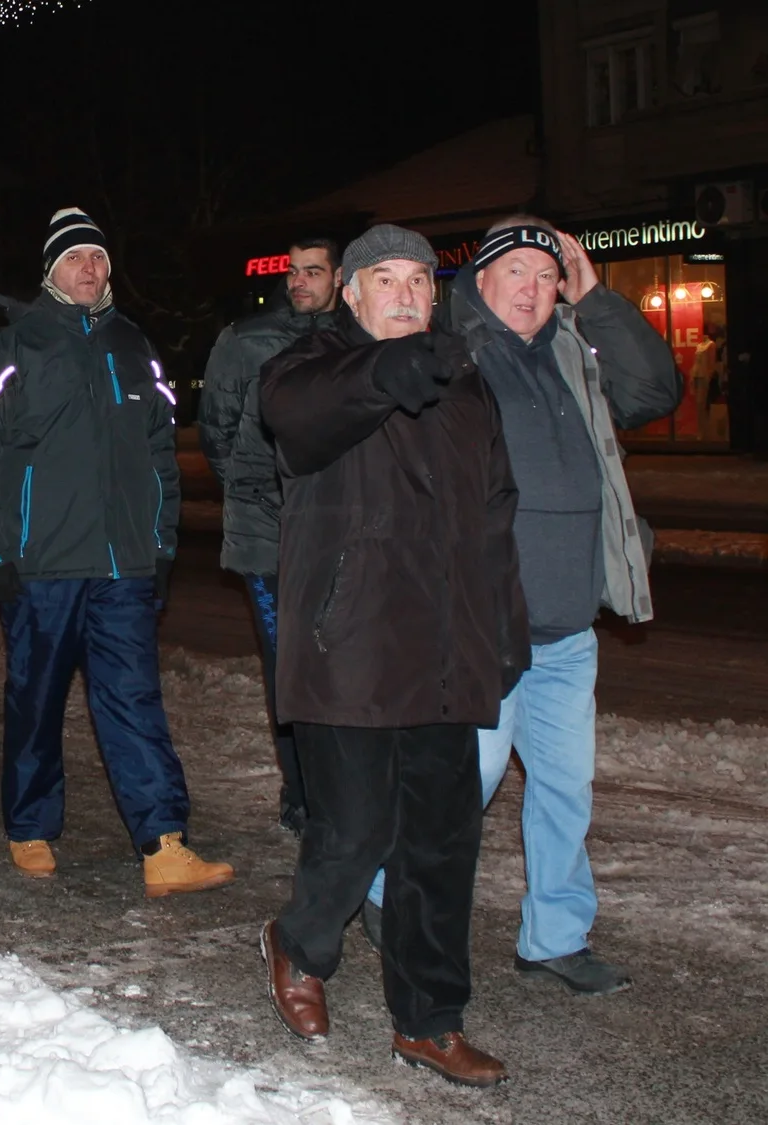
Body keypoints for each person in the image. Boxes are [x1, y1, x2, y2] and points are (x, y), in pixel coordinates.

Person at [361, 217, 681, 995]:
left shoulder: (573, 351)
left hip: (569, 623)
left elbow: (653, 391)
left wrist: (596, 297)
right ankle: (380, 888)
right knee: (461, 783)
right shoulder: (455, 356)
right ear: (480, 283)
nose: (535, 291)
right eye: (518, 275)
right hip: (485, 624)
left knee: (567, 789)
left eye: (548, 276)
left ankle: (557, 935)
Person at [258, 224, 528, 1088]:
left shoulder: (465, 384)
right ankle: (298, 942)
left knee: (443, 847)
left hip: (448, 651)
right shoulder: (308, 369)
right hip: (353, 648)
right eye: (387, 279)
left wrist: (505, 629)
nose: (407, 293)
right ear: (350, 292)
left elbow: (494, 515)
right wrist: (382, 371)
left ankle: (430, 1019)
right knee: (358, 828)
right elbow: (297, 420)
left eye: (420, 279)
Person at [0, 206, 235, 896]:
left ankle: (164, 843)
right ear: (51, 270)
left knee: (135, 700)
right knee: (37, 700)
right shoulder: (15, 349)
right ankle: (31, 825)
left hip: (125, 566)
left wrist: (161, 544)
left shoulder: (134, 345)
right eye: (75, 258)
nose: (90, 268)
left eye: (99, 258)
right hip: (41, 565)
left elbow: (161, 454)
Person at [198, 237, 341, 839]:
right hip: (269, 535)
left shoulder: (357, 338)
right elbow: (217, 431)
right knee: (288, 666)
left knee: (341, 664)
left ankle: (339, 789)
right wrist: (259, 490)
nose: (299, 282)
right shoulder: (245, 340)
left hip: (339, 531)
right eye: (293, 271)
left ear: (340, 276)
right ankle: (301, 793)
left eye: (313, 271)